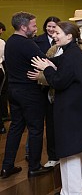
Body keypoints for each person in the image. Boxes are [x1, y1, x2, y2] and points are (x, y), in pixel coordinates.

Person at [31, 21, 82, 194]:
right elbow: (62, 63)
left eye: (58, 33)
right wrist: (49, 63)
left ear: (69, 36)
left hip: (70, 109)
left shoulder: (70, 56)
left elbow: (59, 81)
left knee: (69, 151)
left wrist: (47, 69)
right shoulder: (74, 52)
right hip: (79, 108)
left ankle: (71, 191)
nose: (54, 35)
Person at [1, 12, 52, 179]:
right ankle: (34, 167)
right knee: (36, 129)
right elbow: (45, 62)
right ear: (23, 27)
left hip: (13, 91)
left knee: (15, 128)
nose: (36, 28)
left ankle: (7, 166)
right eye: (34, 25)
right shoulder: (27, 44)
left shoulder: (9, 42)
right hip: (29, 92)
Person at [33, 16, 61, 168]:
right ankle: (52, 155)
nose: (51, 30)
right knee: (48, 123)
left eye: (54, 27)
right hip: (45, 88)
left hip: (60, 88)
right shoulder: (38, 42)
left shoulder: (67, 46)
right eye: (48, 26)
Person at [0, 22, 9, 122]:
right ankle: (3, 114)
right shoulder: (1, 42)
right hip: (0, 70)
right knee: (3, 93)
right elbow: (4, 57)